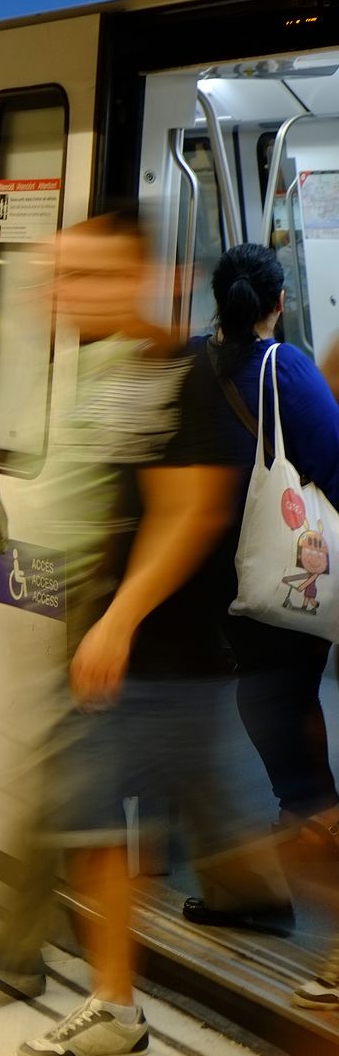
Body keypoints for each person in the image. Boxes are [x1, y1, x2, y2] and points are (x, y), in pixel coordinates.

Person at [12, 213, 288, 1056]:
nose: (65, 294)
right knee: (106, 828)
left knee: (239, 841)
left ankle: (115, 1004)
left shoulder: (184, 376)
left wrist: (118, 619)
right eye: (60, 276)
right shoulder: (116, 372)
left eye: (87, 275)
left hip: (164, 657)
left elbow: (190, 510)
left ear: (140, 278)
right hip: (125, 649)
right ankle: (114, 1004)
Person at [204, 243, 339, 1010]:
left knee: (269, 748)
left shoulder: (192, 368)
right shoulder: (282, 369)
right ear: (277, 302)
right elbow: (335, 459)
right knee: (300, 762)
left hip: (214, 602)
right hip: (282, 600)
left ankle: (247, 890)